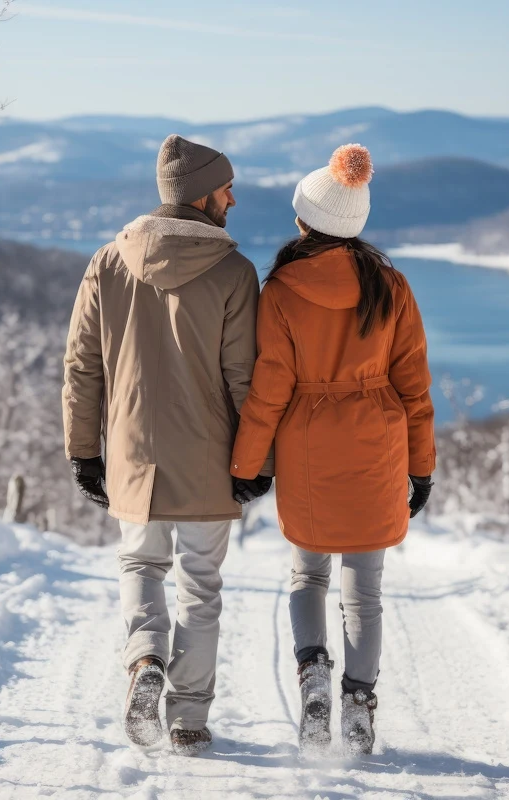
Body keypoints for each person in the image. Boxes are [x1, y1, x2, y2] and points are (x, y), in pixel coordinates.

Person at [62, 134, 273, 756]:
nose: (233, 198)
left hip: (132, 453)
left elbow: (81, 367)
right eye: (226, 188)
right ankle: (187, 719)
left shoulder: (108, 261)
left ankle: (145, 658)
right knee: (200, 585)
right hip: (210, 457)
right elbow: (245, 379)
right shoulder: (234, 271)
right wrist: (256, 461)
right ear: (202, 194)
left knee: (140, 565)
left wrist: (83, 451)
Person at [229, 143, 435, 756]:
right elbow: (415, 388)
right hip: (377, 444)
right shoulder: (391, 285)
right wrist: (421, 467)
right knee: (364, 590)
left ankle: (312, 672)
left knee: (307, 572)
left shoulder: (283, 290)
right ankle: (359, 703)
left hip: (308, 446)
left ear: (305, 220)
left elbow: (269, 389)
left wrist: (246, 467)